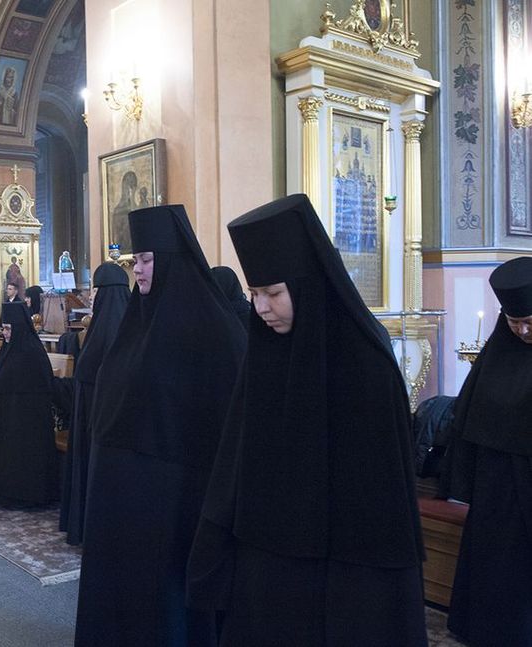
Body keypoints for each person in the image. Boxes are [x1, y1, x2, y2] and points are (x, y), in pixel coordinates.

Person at [188, 194, 426, 645]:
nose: (261, 308)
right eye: (255, 294)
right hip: (267, 565)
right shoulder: (264, 353)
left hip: (345, 578)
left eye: (273, 293)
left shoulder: (367, 364)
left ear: (308, 284)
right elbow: (236, 460)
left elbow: (381, 498)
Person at [75, 205, 246, 646]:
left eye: (146, 260)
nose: (138, 270)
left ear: (171, 259)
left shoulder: (217, 333)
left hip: (177, 502)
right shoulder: (136, 322)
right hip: (121, 501)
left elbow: (223, 431)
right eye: (135, 261)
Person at [441, 256, 532, 646]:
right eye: (514, 323)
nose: (523, 330)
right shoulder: (498, 354)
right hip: (496, 487)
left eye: (530, 322)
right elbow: (468, 418)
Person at [58, 262, 130, 546]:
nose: (91, 296)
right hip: (94, 417)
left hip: (102, 424)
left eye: (96, 291)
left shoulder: (109, 331)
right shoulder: (113, 328)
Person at [0, 302, 58, 507]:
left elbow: (39, 389)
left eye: (8, 329)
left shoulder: (32, 352)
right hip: (6, 420)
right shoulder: (7, 350)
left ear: (19, 328)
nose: (5, 334)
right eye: (3, 329)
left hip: (26, 425)